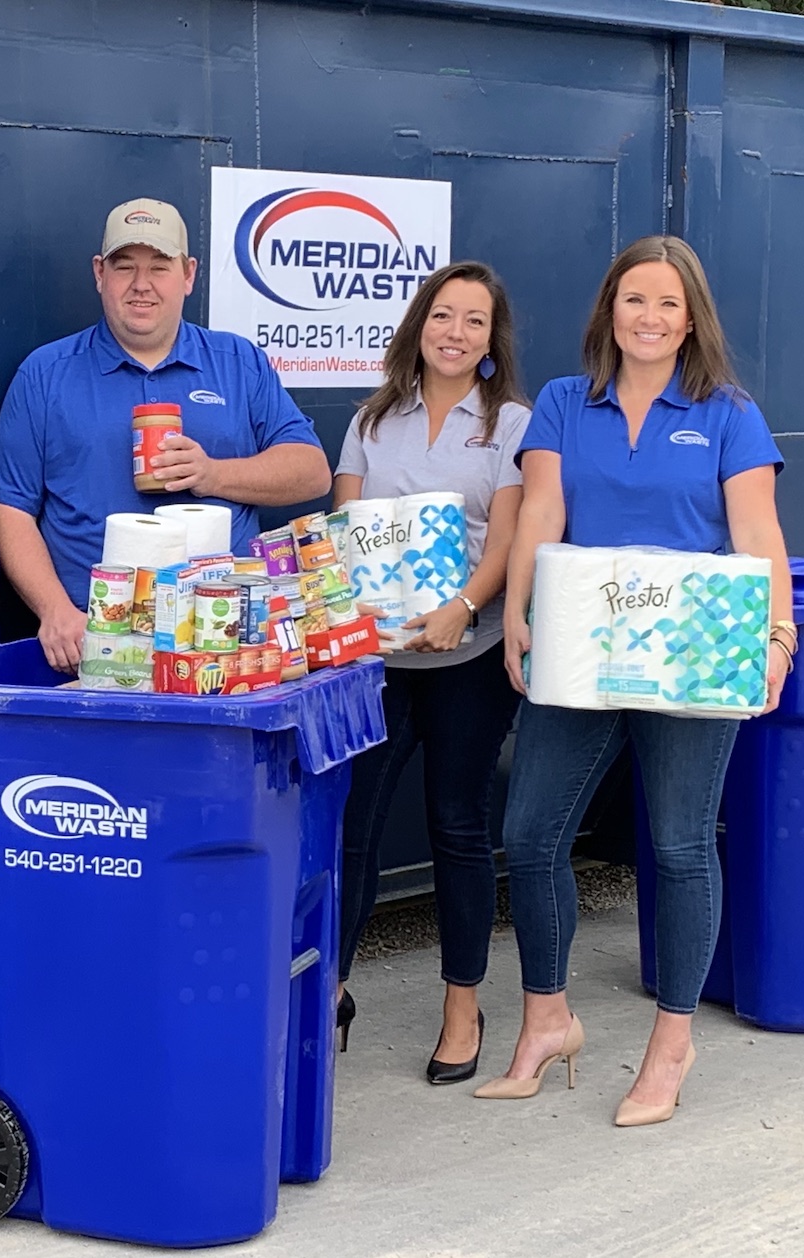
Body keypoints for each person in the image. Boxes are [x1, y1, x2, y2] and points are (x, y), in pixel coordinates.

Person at [474, 236, 792, 1123]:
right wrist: (521, 614)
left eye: (666, 304)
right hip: (580, 645)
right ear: (606, 312)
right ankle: (546, 1022)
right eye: (632, 301)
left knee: (680, 845)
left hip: (692, 648)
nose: (647, 319)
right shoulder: (566, 407)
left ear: (690, 320)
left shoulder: (728, 414)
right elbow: (540, 510)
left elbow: (758, 534)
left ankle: (670, 1044)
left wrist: (777, 635)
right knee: (532, 834)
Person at [333, 261, 531, 1084]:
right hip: (376, 661)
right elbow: (341, 525)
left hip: (468, 656)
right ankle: (330, 988)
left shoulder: (512, 424)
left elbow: (510, 539)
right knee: (352, 830)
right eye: (442, 316)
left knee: (456, 827)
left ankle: (462, 1003)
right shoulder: (371, 421)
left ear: (492, 340)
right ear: (419, 325)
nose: (455, 332)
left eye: (473, 321)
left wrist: (462, 605)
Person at [0, 198, 331, 671]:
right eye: (124, 266)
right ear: (99, 274)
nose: (141, 285)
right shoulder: (45, 374)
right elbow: (10, 507)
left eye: (160, 267)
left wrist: (210, 475)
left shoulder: (238, 363)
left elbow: (312, 473)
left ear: (188, 275)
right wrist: (54, 611)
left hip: (222, 639)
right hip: (93, 639)